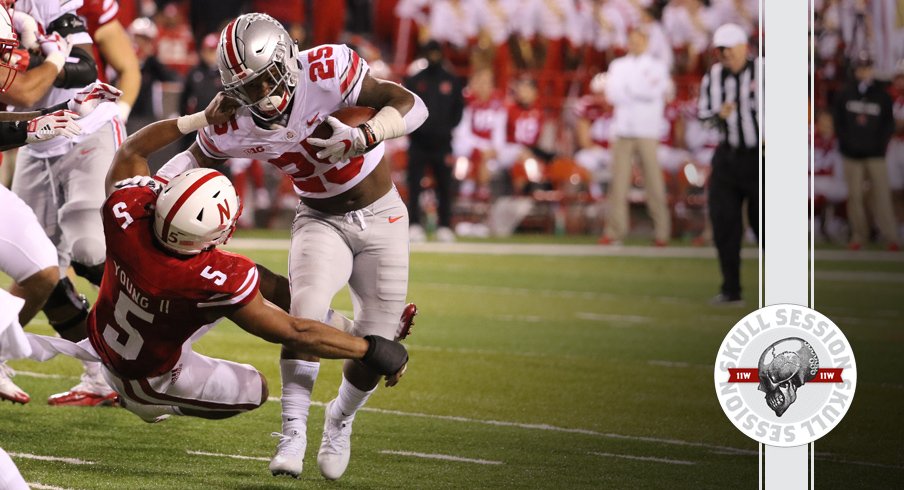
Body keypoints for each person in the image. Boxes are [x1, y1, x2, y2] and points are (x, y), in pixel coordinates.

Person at [151, 13, 428, 480]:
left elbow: (412, 104)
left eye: (263, 81)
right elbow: (189, 160)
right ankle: (293, 429)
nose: (259, 95)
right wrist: (147, 189)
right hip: (320, 218)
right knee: (306, 312)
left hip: (385, 216)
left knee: (377, 344)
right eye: (246, 87)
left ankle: (341, 420)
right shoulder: (232, 118)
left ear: (284, 60)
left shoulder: (325, 69)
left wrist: (366, 135)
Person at [74, 106, 410, 424]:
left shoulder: (126, 211)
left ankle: (346, 325)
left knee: (257, 281)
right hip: (144, 375)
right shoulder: (206, 278)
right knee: (256, 388)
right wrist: (371, 349)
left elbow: (132, 150)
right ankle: (147, 403)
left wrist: (201, 118)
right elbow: (296, 331)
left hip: (112, 334)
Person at [6, 0, 127, 405]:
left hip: (77, 128)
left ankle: (155, 331)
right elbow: (18, 90)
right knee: (40, 271)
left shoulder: (45, 3)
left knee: (84, 252)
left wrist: (46, 56)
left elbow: (87, 66)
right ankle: (101, 371)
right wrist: (49, 55)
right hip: (35, 136)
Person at [697, 23, 760, 305]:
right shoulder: (713, 76)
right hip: (729, 156)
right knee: (724, 224)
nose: (724, 55)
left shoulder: (765, 71)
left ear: (743, 47)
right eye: (720, 50)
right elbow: (703, 116)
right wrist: (718, 114)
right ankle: (730, 289)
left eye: (728, 49)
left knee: (767, 228)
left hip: (763, 158)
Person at [600, 27, 672, 246]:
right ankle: (615, 231)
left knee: (654, 182)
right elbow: (612, 94)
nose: (634, 44)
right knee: (618, 184)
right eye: (631, 40)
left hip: (647, 129)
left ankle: (662, 232)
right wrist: (633, 90)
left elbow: (652, 92)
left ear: (646, 41)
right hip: (622, 130)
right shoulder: (618, 65)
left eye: (638, 40)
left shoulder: (658, 66)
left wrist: (628, 90)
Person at [832, 53, 899, 250]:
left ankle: (891, 236)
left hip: (876, 154)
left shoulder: (882, 95)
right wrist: (847, 144)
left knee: (882, 195)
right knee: (855, 197)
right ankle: (858, 235)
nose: (863, 71)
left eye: (867, 67)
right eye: (860, 67)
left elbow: (888, 124)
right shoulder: (845, 93)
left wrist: (879, 145)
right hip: (851, 154)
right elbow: (839, 123)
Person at [404, 40, 464, 243]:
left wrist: (444, 130)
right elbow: (407, 108)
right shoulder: (414, 80)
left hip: (442, 144)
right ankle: (414, 224)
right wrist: (418, 131)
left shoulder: (452, 81)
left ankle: (445, 225)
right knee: (414, 186)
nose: (434, 56)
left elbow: (458, 111)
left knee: (445, 186)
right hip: (418, 143)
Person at [77, 0, 141, 122]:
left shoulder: (92, 5)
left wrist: (120, 114)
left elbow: (129, 68)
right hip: (37, 110)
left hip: (87, 116)